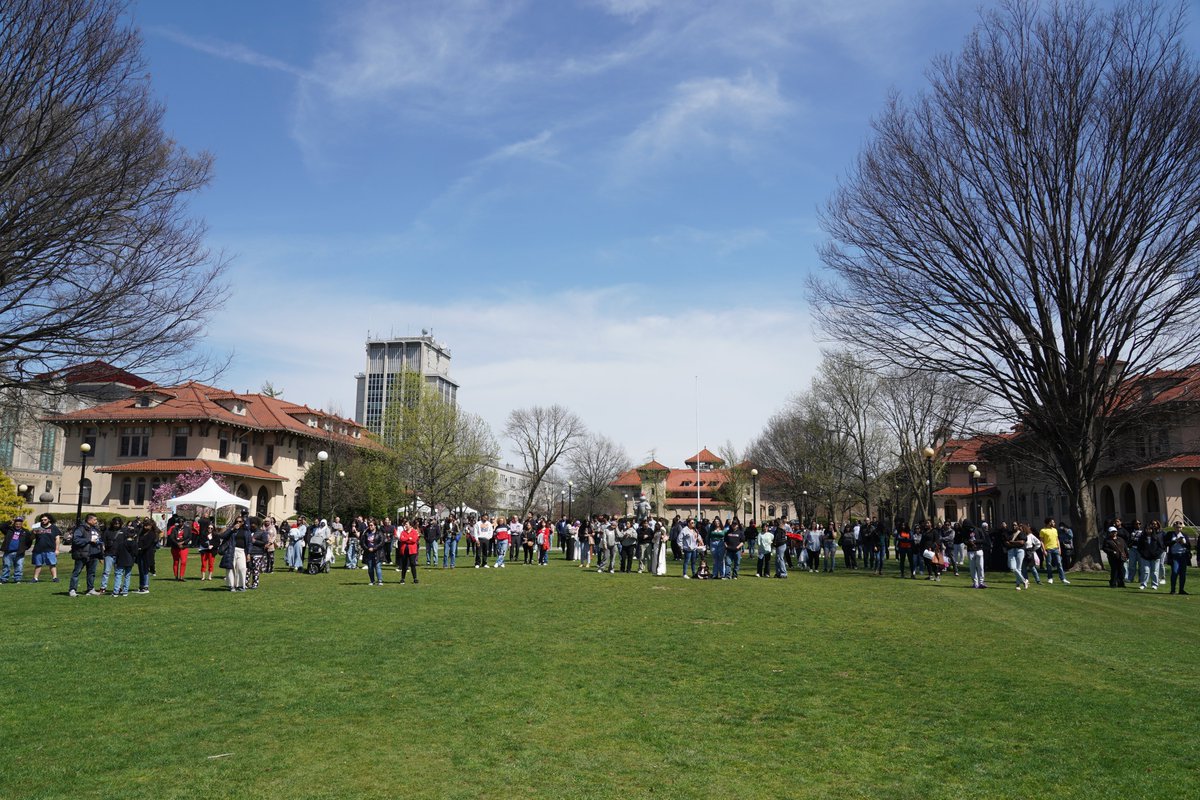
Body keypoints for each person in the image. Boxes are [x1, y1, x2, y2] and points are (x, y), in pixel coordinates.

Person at [69, 513, 104, 597]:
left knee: (91, 573)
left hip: (94, 555)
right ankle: (72, 590)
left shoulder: (96, 529)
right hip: (82, 554)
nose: (96, 521)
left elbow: (99, 541)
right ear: (89, 520)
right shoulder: (80, 529)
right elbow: (76, 540)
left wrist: (100, 555)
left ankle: (90, 589)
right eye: (95, 520)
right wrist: (89, 540)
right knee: (76, 572)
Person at [218, 516, 251, 592]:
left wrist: (248, 553)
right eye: (237, 521)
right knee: (231, 568)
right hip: (232, 550)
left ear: (243, 522)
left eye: (240, 522)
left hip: (242, 551)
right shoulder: (232, 529)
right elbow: (222, 536)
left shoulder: (246, 531)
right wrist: (232, 529)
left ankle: (241, 585)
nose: (238, 523)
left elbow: (249, 543)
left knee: (242, 568)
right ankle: (231, 585)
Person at [30, 513, 61, 583]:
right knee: (38, 565)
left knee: (52, 564)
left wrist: (57, 549)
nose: (43, 521)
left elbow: (57, 539)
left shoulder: (54, 528)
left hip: (50, 549)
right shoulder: (37, 527)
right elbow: (32, 538)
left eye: (45, 519)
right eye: (42, 520)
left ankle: (55, 578)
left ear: (49, 520)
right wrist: (33, 533)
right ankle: (35, 578)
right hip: (38, 549)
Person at [109, 520, 136, 597]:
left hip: (121, 561)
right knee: (127, 576)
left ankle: (116, 591)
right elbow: (135, 553)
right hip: (129, 561)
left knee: (118, 575)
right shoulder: (134, 544)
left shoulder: (121, 544)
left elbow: (117, 552)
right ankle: (125, 591)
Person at [1, 516, 31, 584]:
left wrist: (25, 548)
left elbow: (29, 541)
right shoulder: (9, 530)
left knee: (19, 566)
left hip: (19, 553)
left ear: (21, 524)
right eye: (16, 524)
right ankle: (4, 579)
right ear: (14, 524)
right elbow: (1, 526)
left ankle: (17, 579)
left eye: (19, 524)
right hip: (8, 552)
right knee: (6, 566)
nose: (18, 525)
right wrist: (10, 521)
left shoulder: (25, 532)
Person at [1135, 523, 1164, 590]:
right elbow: (1139, 548)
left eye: (1150, 529)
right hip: (1145, 557)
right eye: (1147, 529)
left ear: (1152, 530)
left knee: (1154, 571)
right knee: (1145, 571)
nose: (1148, 530)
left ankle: (1155, 584)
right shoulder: (1142, 538)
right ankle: (1143, 584)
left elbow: (1161, 547)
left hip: (1155, 558)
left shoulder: (1156, 537)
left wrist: (1157, 554)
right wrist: (1143, 554)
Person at [1040, 518, 1069, 584]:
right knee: (1049, 564)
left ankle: (1063, 578)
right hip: (1048, 549)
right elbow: (1041, 541)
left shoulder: (1055, 530)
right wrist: (1044, 550)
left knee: (1059, 563)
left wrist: (1059, 548)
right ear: (1049, 523)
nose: (1054, 523)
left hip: (1056, 549)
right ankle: (1050, 578)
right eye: (1053, 522)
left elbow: (1057, 540)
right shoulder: (1043, 530)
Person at [1166, 521, 1191, 595]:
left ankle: (1181, 590)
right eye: (1177, 527)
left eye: (1180, 527)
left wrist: (1183, 543)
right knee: (1174, 572)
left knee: (1183, 573)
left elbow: (1188, 546)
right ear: (1174, 527)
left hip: (1183, 555)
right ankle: (1173, 590)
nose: (1178, 529)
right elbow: (1166, 543)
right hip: (1174, 555)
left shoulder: (1184, 535)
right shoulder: (1170, 534)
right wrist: (1175, 541)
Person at [134, 519, 158, 594]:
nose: (145, 527)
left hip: (147, 554)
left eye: (147, 525)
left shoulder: (152, 534)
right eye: (144, 525)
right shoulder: (142, 532)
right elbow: (139, 541)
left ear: (151, 526)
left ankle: (146, 587)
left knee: (145, 571)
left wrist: (141, 548)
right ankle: (141, 586)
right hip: (141, 553)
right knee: (141, 570)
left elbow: (148, 544)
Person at [167, 516, 192, 581]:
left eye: (182, 522)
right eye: (179, 522)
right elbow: (171, 537)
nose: (181, 523)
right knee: (176, 561)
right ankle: (176, 576)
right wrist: (177, 543)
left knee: (183, 562)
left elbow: (189, 537)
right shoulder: (174, 529)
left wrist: (183, 542)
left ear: (184, 522)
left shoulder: (187, 529)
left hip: (184, 547)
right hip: (175, 547)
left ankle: (181, 576)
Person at [1005, 523, 1029, 590]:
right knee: (1012, 567)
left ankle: (1017, 585)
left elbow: (1022, 542)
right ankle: (1024, 580)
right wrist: (1015, 542)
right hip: (1011, 551)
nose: (1013, 526)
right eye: (1012, 525)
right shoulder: (1009, 534)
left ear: (1018, 526)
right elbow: (1006, 542)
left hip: (1020, 550)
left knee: (1019, 568)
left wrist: (1012, 542)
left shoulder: (1022, 533)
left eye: (1015, 525)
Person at [965, 522, 988, 588]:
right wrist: (969, 542)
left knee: (980, 567)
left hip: (979, 550)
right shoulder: (966, 531)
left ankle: (981, 582)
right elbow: (964, 540)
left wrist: (975, 541)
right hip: (970, 551)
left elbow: (983, 540)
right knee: (972, 568)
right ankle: (975, 583)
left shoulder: (979, 530)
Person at [361, 520, 384, 585]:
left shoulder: (379, 533)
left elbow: (382, 542)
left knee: (377, 566)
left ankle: (380, 581)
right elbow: (362, 543)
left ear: (375, 526)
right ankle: (372, 581)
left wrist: (374, 548)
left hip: (377, 553)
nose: (370, 526)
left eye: (371, 525)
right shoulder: (366, 533)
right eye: (369, 525)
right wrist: (367, 548)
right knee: (370, 567)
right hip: (368, 553)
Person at [397, 519, 420, 583]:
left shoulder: (414, 532)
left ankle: (415, 578)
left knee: (413, 564)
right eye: (405, 524)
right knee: (404, 565)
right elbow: (401, 539)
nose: (405, 525)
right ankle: (402, 578)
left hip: (412, 551)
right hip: (404, 550)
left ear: (410, 525)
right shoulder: (403, 532)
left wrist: (406, 539)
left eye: (406, 524)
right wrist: (409, 538)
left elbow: (414, 540)